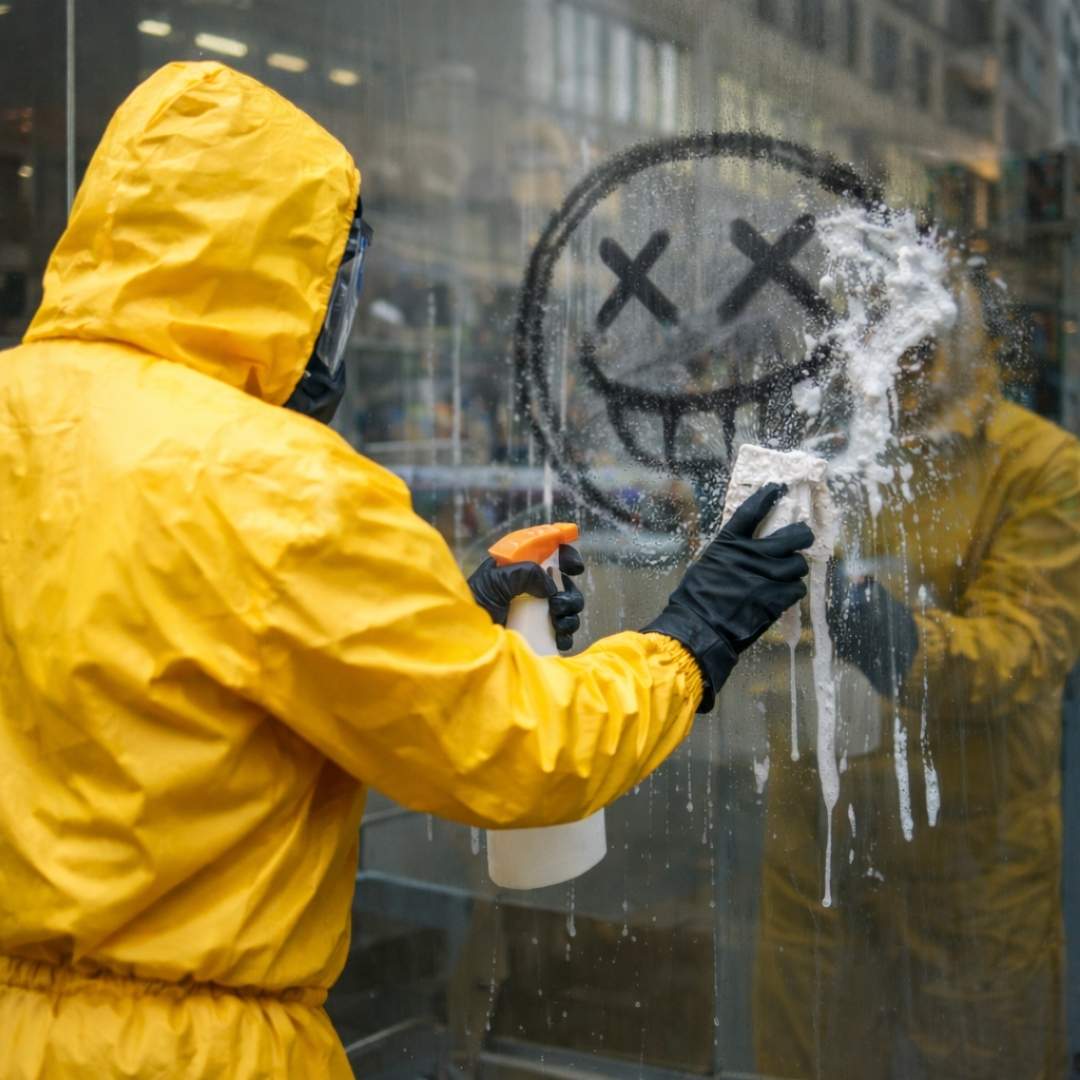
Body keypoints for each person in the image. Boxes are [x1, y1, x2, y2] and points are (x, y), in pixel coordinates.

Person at [0, 62, 812, 1078]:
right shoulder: (277, 488)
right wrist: (691, 637)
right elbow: (521, 753)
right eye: (337, 280)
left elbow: (145, 679)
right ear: (287, 273)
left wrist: (440, 618)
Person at [752, 271, 1080, 1079]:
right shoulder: (816, 457)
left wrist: (885, 632)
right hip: (820, 842)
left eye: (913, 340)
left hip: (971, 850)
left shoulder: (1039, 466)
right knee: (812, 1059)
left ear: (958, 342)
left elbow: (1026, 650)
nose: (889, 361)